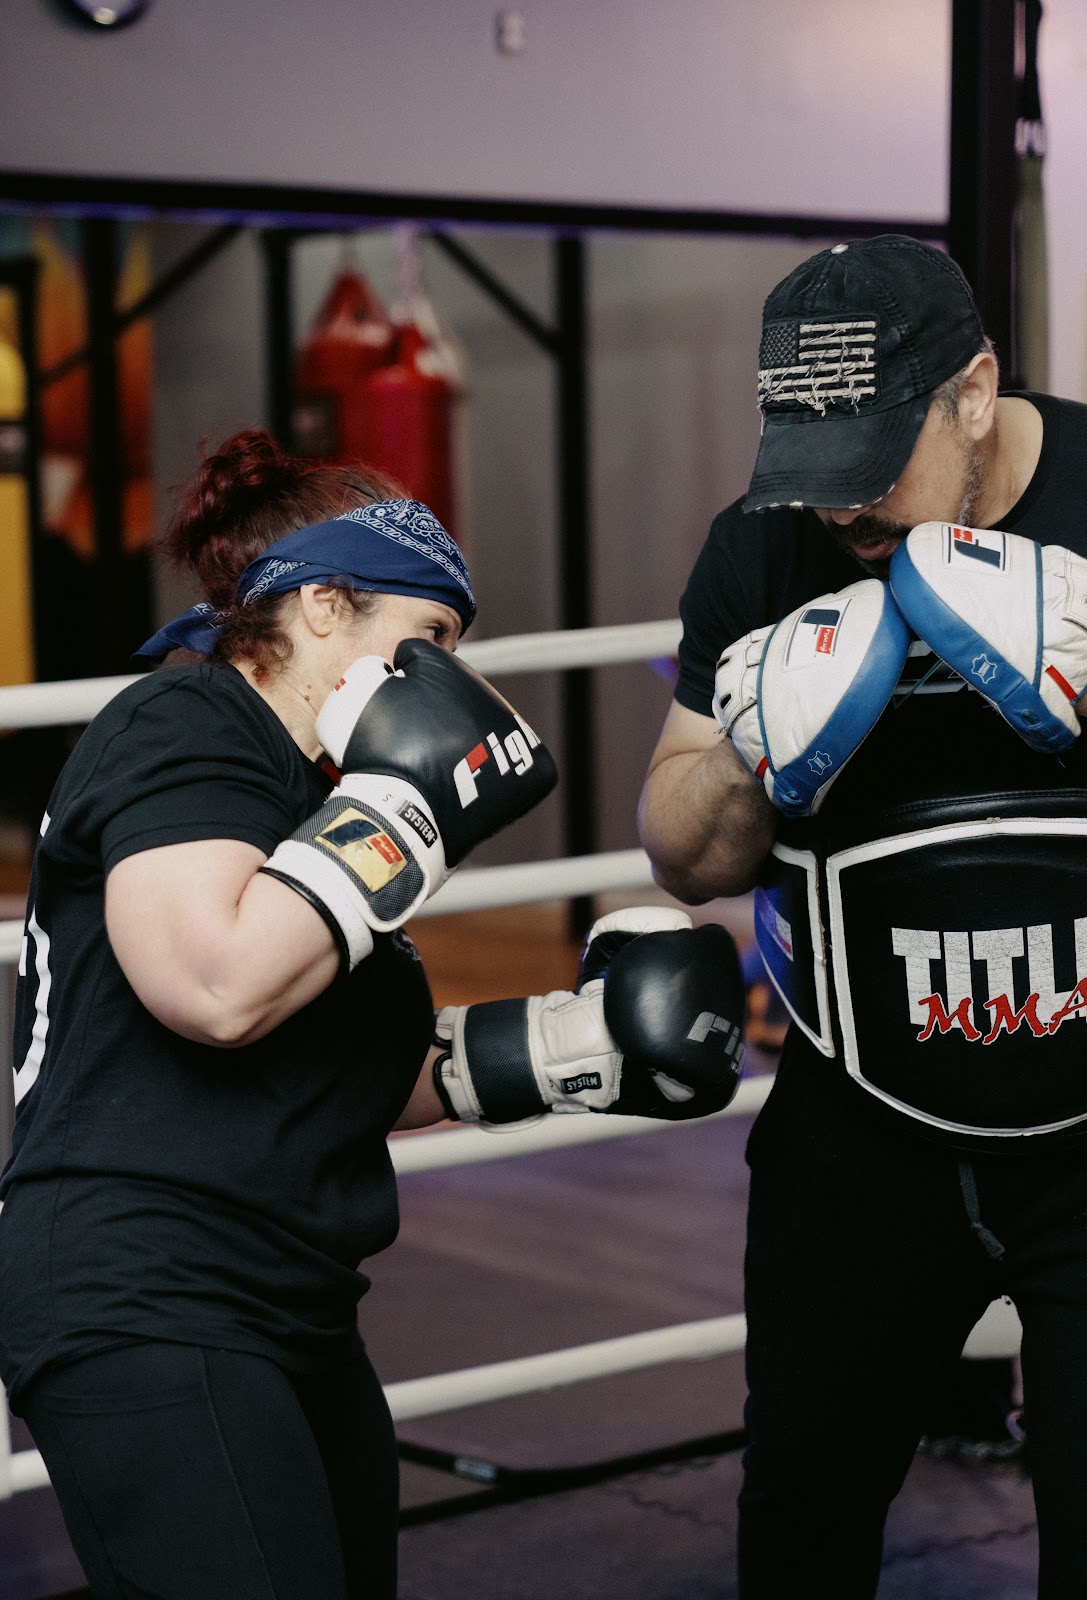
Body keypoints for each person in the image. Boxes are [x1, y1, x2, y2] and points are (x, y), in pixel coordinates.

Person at [0, 429, 746, 1600]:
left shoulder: (320, 805)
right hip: (144, 1283)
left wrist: (572, 1048)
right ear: (319, 604)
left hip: (290, 1295)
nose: (454, 675)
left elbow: (347, 1063)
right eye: (432, 638)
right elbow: (216, 987)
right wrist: (408, 811)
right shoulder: (187, 726)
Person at [637, 235, 1087, 1598]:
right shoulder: (762, 549)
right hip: (863, 1130)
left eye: (873, 462)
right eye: (809, 470)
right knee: (804, 1521)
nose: (841, 511)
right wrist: (752, 757)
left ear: (972, 391)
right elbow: (677, 847)